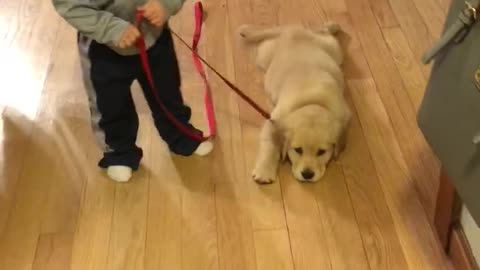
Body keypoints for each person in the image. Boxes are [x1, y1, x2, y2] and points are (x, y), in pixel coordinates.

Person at [52, 0, 213, 182]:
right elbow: (70, 6)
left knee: (168, 92)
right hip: (103, 48)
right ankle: (120, 152)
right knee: (110, 105)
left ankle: (181, 135)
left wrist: (166, 4)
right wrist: (111, 28)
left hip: (154, 37)